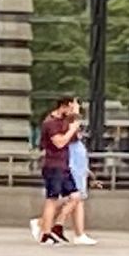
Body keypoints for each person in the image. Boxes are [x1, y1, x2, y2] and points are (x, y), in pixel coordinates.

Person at [35, 94, 81, 245]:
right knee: (52, 199)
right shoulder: (51, 122)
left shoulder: (64, 121)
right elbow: (59, 143)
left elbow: (74, 139)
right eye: (72, 107)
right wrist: (71, 130)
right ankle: (45, 233)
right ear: (65, 106)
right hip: (53, 165)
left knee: (75, 197)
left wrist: (74, 121)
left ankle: (57, 226)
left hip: (64, 165)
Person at [62, 106, 95, 244]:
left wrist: (88, 173)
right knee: (72, 202)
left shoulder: (78, 143)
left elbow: (82, 160)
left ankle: (79, 233)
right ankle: (43, 223)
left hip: (79, 174)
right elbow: (71, 161)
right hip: (73, 174)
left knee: (77, 203)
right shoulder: (70, 143)